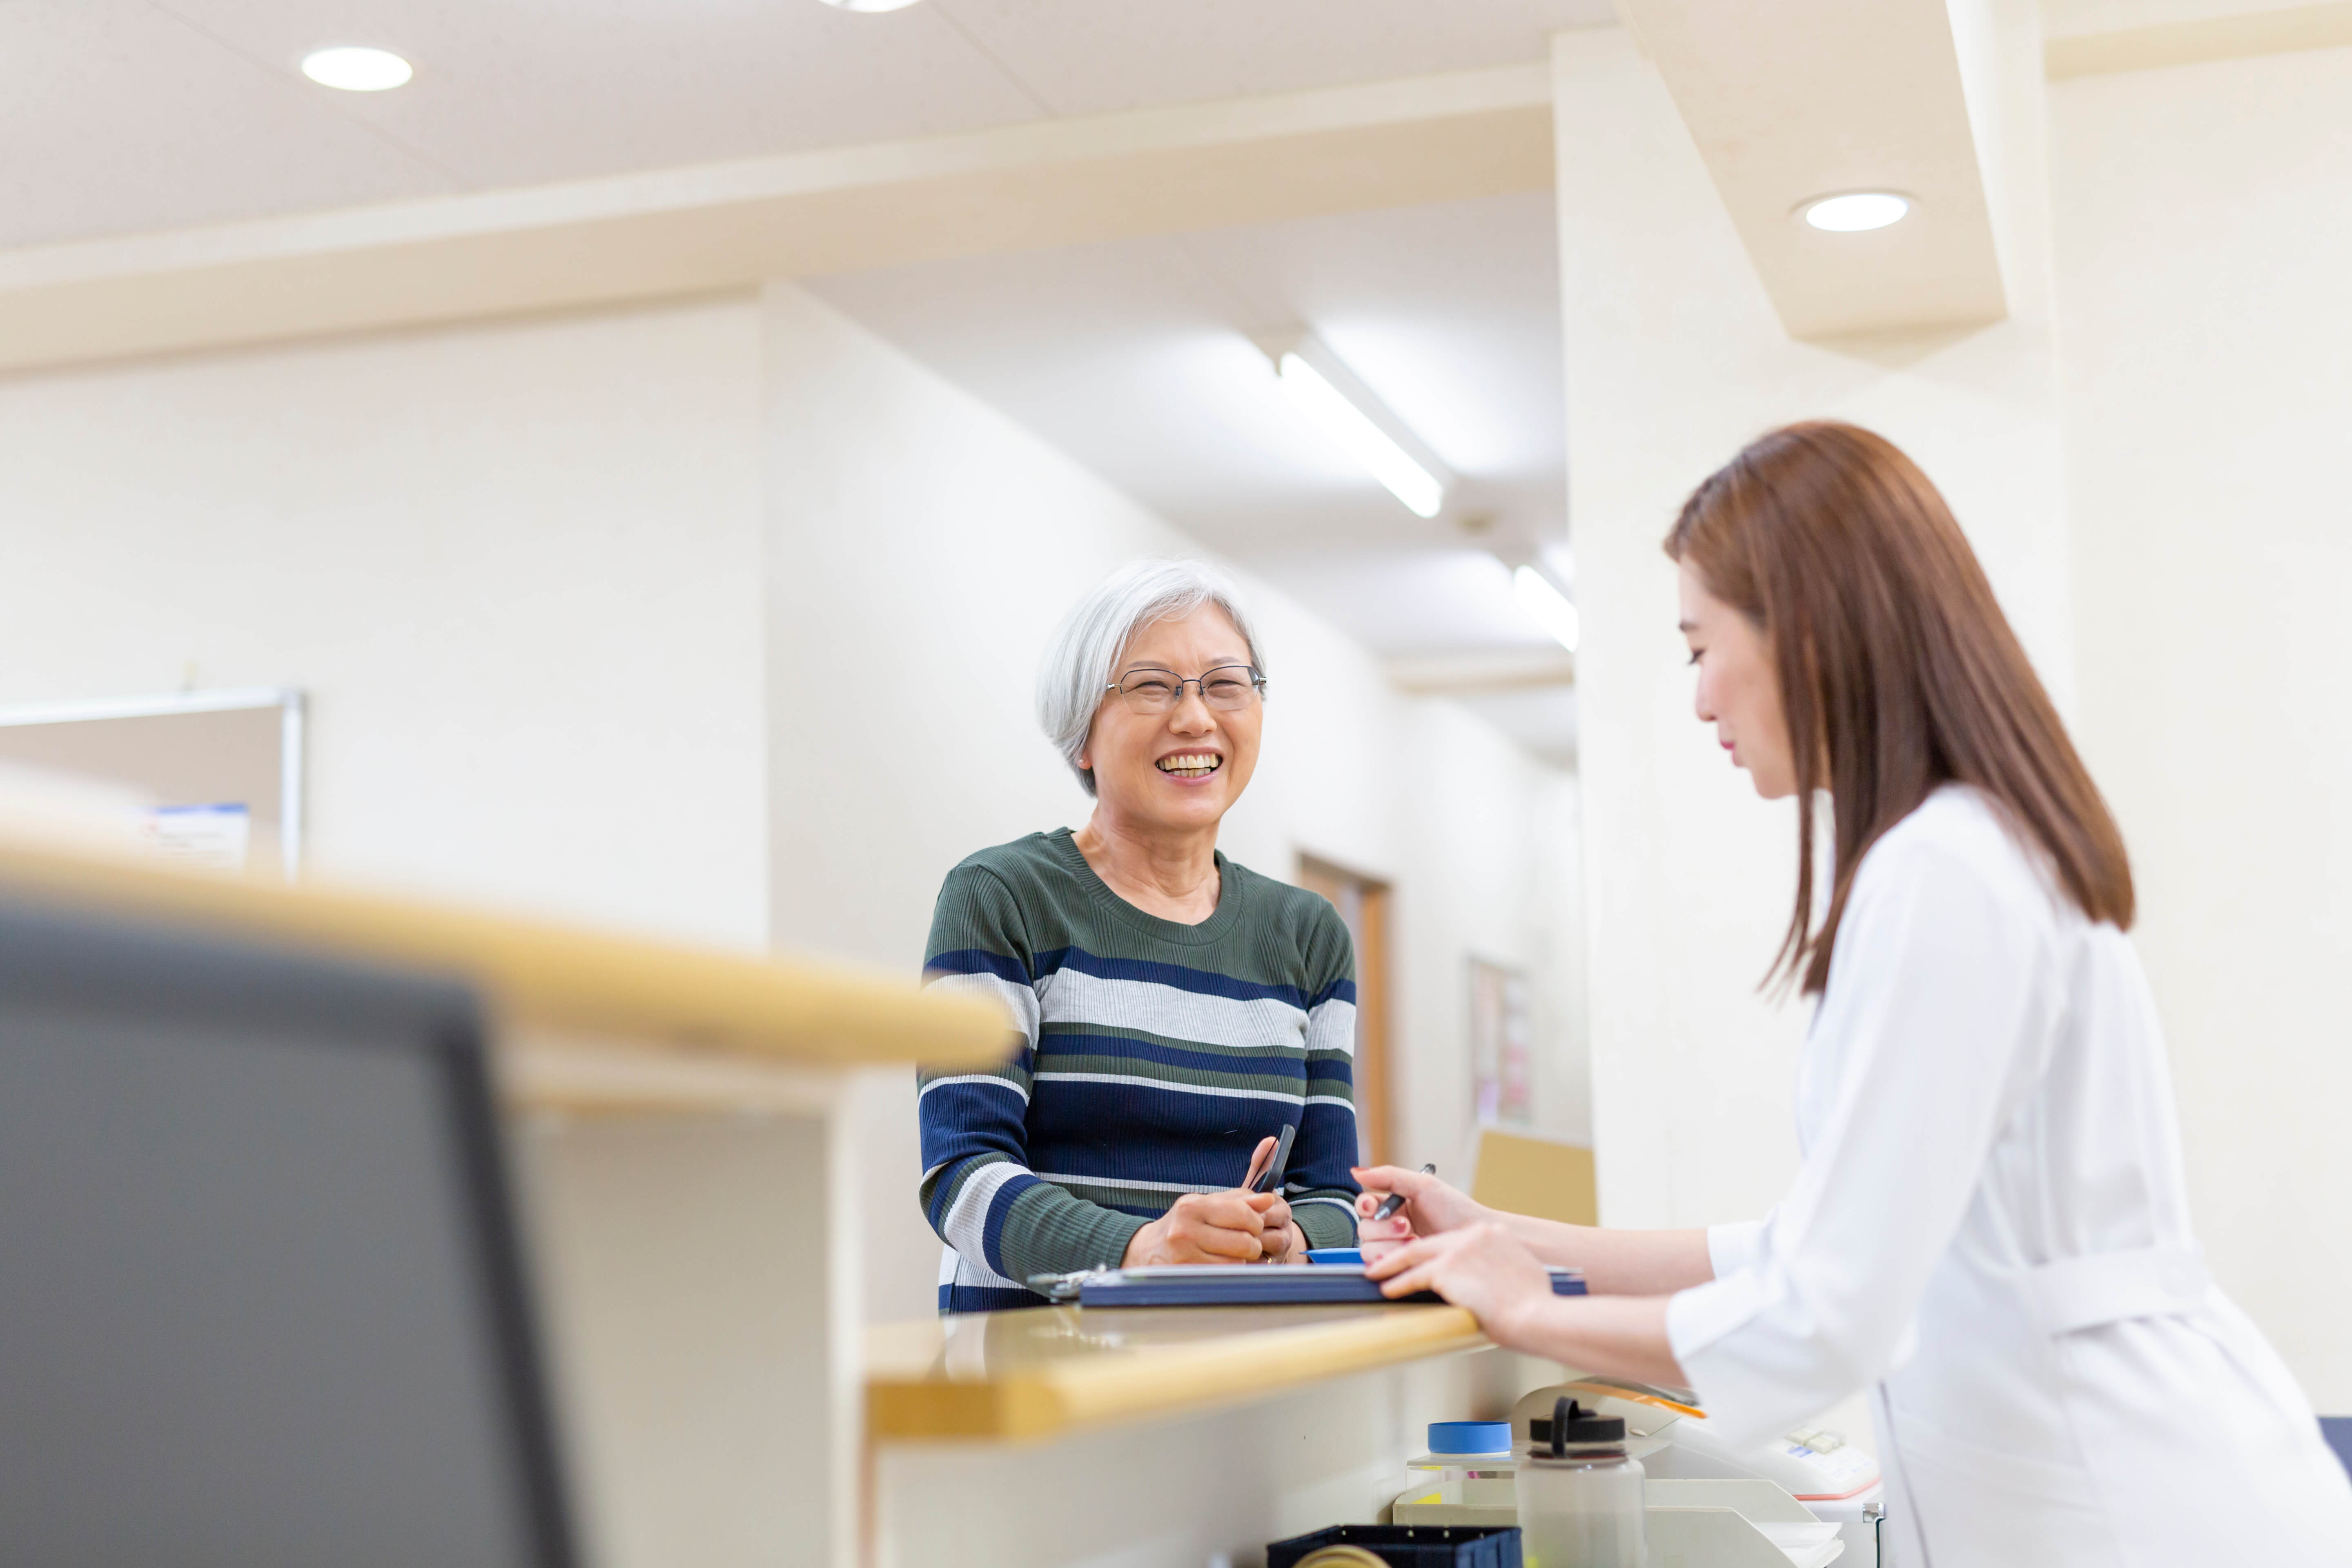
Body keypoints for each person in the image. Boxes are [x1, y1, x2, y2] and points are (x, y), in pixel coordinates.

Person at [1355, 423, 2352, 1564]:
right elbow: (1810, 1247)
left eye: (1699, 647)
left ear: (1811, 632)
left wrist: (1527, 1312)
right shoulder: (1962, 854)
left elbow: (1825, 1314)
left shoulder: (1947, 872)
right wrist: (1507, 1236)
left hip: (2134, 1505)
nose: (1697, 700)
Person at [916, 559, 1361, 1312]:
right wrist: (1140, 1251)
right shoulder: (1001, 897)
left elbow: (1333, 1196)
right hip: (1033, 1365)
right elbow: (962, 1177)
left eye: (1226, 684)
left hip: (1230, 1358)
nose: (1195, 719)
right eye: (1153, 687)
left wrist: (1289, 1238)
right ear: (1080, 735)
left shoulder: (1307, 934)